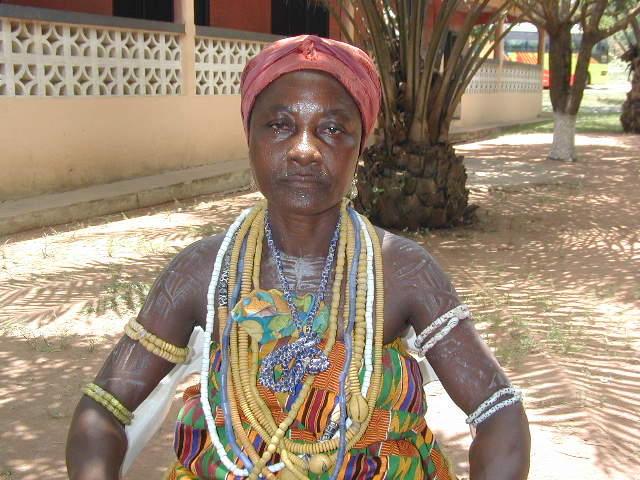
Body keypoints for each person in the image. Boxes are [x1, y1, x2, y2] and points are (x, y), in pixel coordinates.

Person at [66, 35, 530, 480]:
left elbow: (497, 411)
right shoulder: (202, 272)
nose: (305, 150)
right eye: (280, 125)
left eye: (332, 129)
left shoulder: (403, 270)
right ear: (250, 136)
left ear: (361, 143)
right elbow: (104, 406)